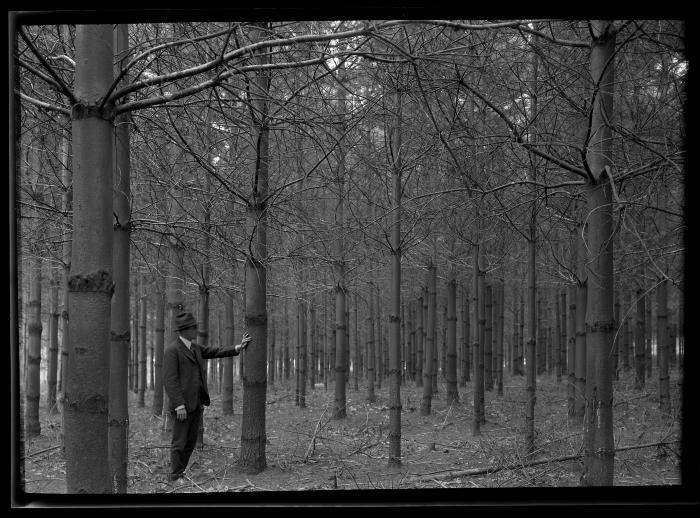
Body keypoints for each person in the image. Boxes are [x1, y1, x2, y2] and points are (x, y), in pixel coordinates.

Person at [163, 311, 252, 481]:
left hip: (196, 404)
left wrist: (237, 348)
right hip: (182, 406)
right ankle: (174, 476)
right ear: (184, 330)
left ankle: (180, 472)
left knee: (190, 442)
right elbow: (170, 381)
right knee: (179, 442)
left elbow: (214, 351)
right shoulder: (172, 351)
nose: (197, 330)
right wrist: (179, 405)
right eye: (193, 327)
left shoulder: (194, 347)